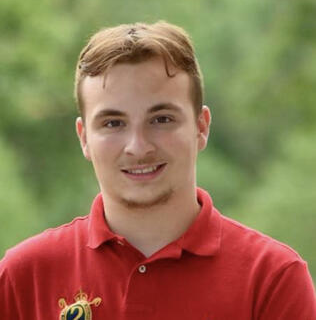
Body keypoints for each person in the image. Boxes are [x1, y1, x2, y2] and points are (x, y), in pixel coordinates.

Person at [0, 21, 315, 320]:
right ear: (84, 138)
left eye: (161, 119)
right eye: (113, 123)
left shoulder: (272, 278)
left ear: (201, 127)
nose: (138, 147)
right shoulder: (23, 277)